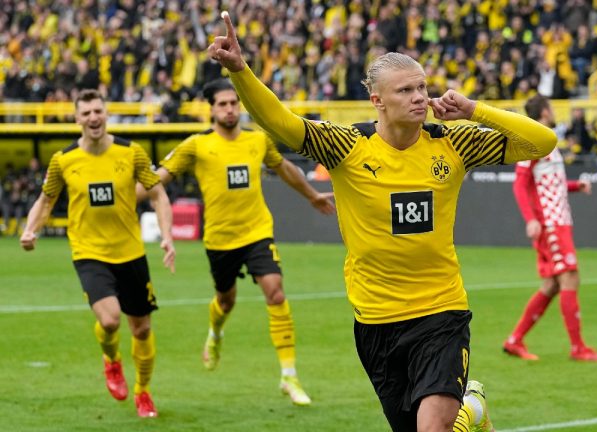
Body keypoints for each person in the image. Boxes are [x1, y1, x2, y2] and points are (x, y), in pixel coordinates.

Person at [208, 11, 556, 432]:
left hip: (441, 310)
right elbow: (281, 122)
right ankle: (472, 412)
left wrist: (474, 110)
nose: (418, 97)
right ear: (377, 100)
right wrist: (240, 71)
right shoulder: (347, 146)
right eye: (405, 90)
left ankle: (464, 409)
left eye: (422, 87)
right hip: (375, 321)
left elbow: (543, 141)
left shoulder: (453, 142)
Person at [138, 78, 334, 406]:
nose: (230, 109)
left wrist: (312, 195)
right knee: (226, 301)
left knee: (275, 291)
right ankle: (215, 333)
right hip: (220, 240)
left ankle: (289, 375)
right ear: (211, 109)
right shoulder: (196, 145)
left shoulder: (257, 140)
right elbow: (158, 179)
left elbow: (284, 167)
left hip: (257, 233)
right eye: (223, 104)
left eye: (233, 103)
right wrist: (122, 195)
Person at [20, 89, 175, 417]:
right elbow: (46, 200)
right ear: (77, 118)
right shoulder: (63, 160)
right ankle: (112, 360)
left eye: (98, 111)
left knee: (142, 329)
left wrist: (167, 237)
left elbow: (158, 194)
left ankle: (143, 392)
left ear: (106, 114)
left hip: (130, 252)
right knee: (110, 319)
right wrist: (30, 229)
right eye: (86, 113)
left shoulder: (131, 152)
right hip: (89, 252)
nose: (93, 118)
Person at [503, 95, 597, 363]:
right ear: (543, 112)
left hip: (558, 220)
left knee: (552, 284)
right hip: (550, 223)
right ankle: (578, 348)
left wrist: (575, 186)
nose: (553, 112)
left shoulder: (547, 141)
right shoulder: (532, 142)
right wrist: (531, 219)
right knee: (570, 277)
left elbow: (549, 185)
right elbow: (519, 184)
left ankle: (514, 340)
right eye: (550, 108)